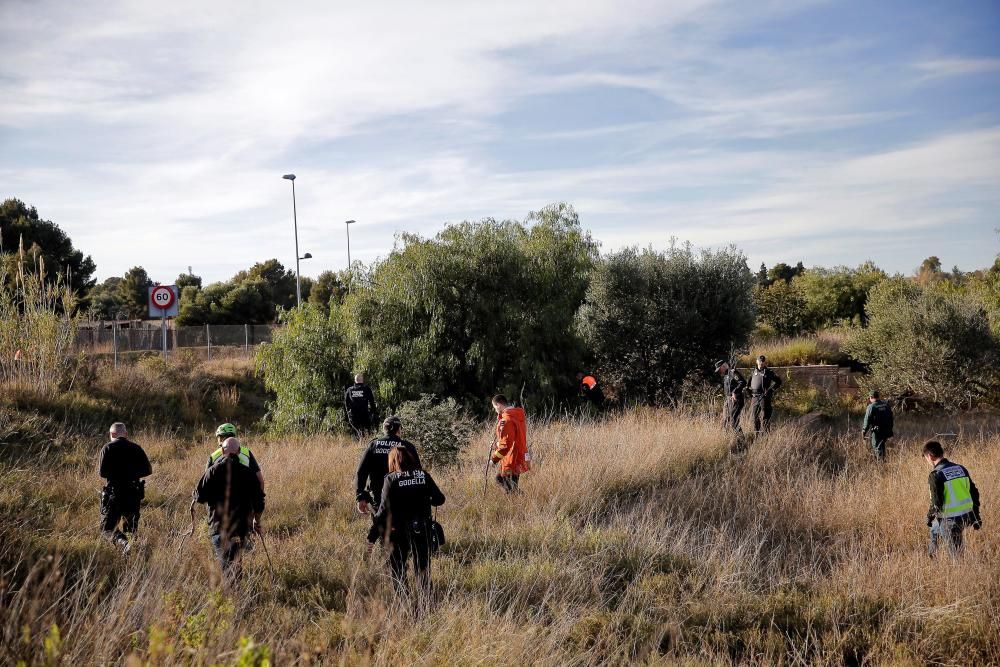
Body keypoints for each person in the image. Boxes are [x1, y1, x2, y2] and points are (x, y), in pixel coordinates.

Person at [369, 446, 445, 596]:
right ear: (411, 458)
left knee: (398, 568)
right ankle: (426, 603)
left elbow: (383, 511)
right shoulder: (423, 475)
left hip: (399, 532)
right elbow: (440, 499)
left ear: (393, 461)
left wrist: (371, 537)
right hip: (422, 528)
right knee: (422, 568)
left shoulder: (391, 479)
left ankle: (404, 601)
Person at [193, 437, 266, 580]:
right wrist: (257, 521)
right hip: (241, 527)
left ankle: (232, 595)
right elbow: (259, 502)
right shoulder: (248, 473)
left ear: (221, 451)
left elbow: (199, 497)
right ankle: (237, 592)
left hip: (218, 526)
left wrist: (196, 494)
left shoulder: (212, 471)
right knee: (236, 561)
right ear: (239, 452)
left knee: (225, 563)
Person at [97, 422, 152, 554]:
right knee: (131, 529)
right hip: (133, 493)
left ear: (112, 434)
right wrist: (132, 474)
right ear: (126, 434)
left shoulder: (107, 448)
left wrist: (116, 474)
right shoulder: (136, 448)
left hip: (114, 495)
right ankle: (130, 553)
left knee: (107, 529)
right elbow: (148, 470)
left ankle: (122, 543)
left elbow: (102, 473)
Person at [923, 440, 982, 559]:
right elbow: (974, 493)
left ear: (930, 456)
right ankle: (932, 558)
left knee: (956, 555)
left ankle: (958, 571)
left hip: (950, 520)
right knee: (934, 529)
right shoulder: (960, 468)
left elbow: (936, 503)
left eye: (925, 458)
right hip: (966, 515)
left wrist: (929, 516)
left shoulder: (935, 474)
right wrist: (976, 517)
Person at [355, 416, 421, 515]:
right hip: (404, 497)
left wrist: (360, 496)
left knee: (380, 527)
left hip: (378, 497)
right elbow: (418, 473)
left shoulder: (373, 445)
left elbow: (361, 472)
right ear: (399, 429)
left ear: (384, 429)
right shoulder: (408, 446)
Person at [490, 394, 530, 492]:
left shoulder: (507, 419)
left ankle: (522, 503)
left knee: (508, 487)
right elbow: (512, 439)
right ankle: (521, 502)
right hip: (519, 455)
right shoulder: (516, 416)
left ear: (498, 405)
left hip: (512, 458)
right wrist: (498, 445)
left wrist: (494, 459)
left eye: (494, 407)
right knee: (510, 486)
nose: (495, 410)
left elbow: (506, 445)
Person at [206, 423, 264, 489]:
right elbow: (260, 480)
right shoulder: (247, 453)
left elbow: (206, 482)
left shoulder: (213, 456)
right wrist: (260, 498)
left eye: (218, 437)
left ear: (222, 438)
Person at [748, 355, 781, 433]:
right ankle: (757, 434)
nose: (761, 363)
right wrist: (749, 393)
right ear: (757, 361)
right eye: (760, 361)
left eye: (763, 361)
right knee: (754, 417)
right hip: (755, 397)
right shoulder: (753, 371)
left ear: (764, 362)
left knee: (765, 417)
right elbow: (748, 384)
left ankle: (766, 434)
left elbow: (778, 382)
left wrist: (771, 390)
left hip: (764, 397)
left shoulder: (769, 372)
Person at [714, 360, 746, 434]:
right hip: (728, 399)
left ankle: (741, 439)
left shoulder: (732, 372)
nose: (719, 371)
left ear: (723, 366)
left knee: (733, 420)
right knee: (725, 420)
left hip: (736, 399)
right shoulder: (725, 375)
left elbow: (742, 382)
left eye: (719, 369)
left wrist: (735, 391)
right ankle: (726, 438)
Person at [862, 390, 894, 461]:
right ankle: (883, 460)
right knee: (882, 446)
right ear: (878, 396)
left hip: (877, 432)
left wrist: (864, 431)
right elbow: (891, 418)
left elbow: (867, 421)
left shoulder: (871, 407)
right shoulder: (886, 405)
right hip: (887, 430)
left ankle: (880, 465)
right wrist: (890, 430)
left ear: (871, 397)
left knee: (877, 447)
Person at [345, 373, 378, 437]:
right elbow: (372, 402)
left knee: (359, 432)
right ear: (362, 380)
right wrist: (373, 412)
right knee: (366, 432)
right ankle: (364, 443)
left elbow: (346, 403)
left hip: (353, 416)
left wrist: (348, 413)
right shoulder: (366, 389)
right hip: (364, 415)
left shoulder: (349, 390)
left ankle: (360, 443)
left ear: (355, 380)